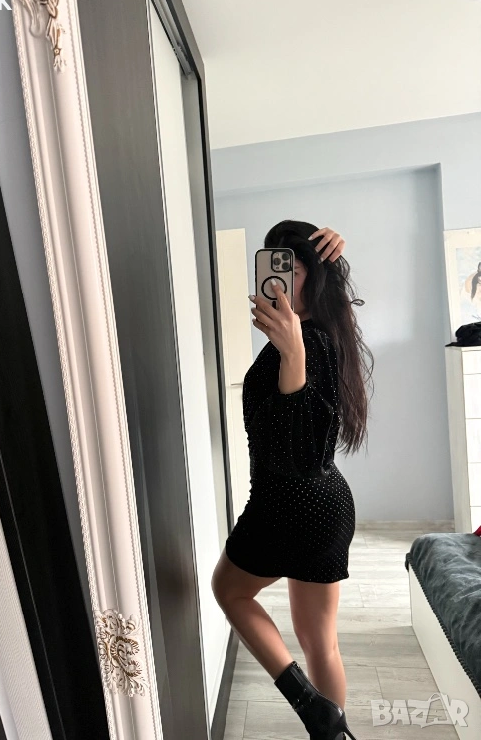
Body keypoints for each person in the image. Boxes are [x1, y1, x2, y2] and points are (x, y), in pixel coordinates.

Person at [211, 220, 373, 740]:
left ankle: (313, 709)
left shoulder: (310, 343)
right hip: (326, 506)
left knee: (229, 590)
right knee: (319, 641)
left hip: (290, 505)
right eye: (275, 265)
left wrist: (294, 357)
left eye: (296, 269)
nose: (281, 279)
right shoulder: (326, 334)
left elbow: (298, 456)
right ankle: (334, 732)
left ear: (316, 278)